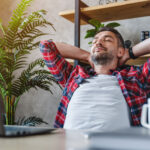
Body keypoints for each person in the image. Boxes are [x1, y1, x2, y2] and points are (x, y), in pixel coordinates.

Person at [40, 27, 150, 131]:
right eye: (95, 41)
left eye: (107, 40)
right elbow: (46, 46)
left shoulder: (136, 76)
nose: (98, 43)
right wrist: (87, 56)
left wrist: (129, 53)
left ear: (120, 51)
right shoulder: (74, 76)